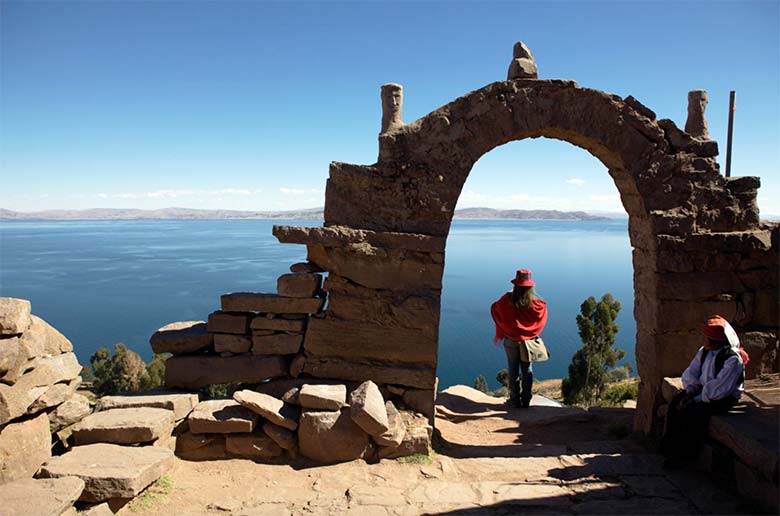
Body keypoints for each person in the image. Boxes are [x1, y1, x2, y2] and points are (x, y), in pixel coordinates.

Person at [661, 314, 749, 461]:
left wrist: (696, 399)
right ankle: (669, 448)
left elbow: (720, 388)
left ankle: (686, 455)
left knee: (694, 413)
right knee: (676, 403)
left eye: (708, 338)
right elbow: (691, 372)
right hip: (702, 391)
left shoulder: (732, 359)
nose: (704, 340)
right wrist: (690, 391)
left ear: (717, 341)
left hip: (722, 397)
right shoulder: (705, 351)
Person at [490, 269, 548, 408]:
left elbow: (494, 308)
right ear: (530, 286)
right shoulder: (535, 303)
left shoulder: (507, 299)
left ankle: (515, 401)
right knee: (527, 370)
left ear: (516, 284)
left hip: (510, 340)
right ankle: (526, 400)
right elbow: (542, 311)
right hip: (528, 343)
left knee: (513, 370)